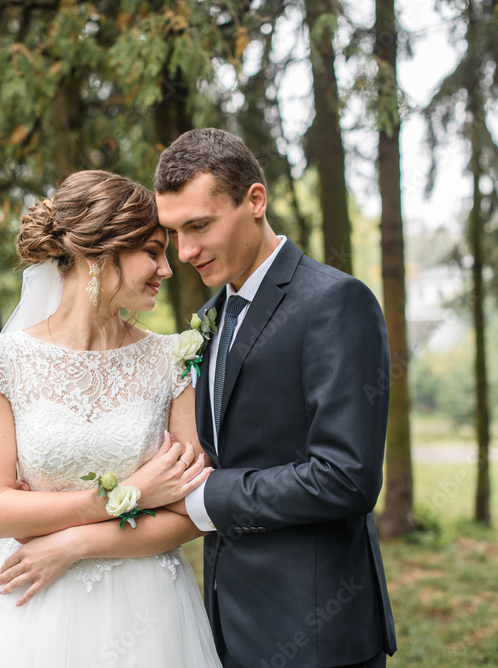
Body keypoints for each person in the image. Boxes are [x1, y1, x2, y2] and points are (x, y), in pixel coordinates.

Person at [0, 170, 223, 667]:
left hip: (150, 611)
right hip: (33, 607)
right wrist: (132, 494)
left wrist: (70, 542)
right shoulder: (0, 361)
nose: (167, 268)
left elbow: (189, 514)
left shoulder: (173, 361)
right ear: (99, 253)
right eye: (152, 251)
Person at [153, 128, 397, 668]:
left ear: (255, 201)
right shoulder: (209, 319)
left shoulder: (335, 302)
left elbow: (346, 477)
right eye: (173, 232)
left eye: (199, 226)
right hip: (224, 625)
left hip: (316, 634)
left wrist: (203, 499)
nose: (185, 251)